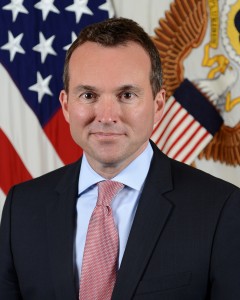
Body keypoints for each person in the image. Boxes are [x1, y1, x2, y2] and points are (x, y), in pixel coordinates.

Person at [0, 17, 240, 300]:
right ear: (66, 105)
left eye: (126, 95)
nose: (106, 116)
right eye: (88, 95)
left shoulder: (222, 209)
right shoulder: (22, 208)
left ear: (158, 104)